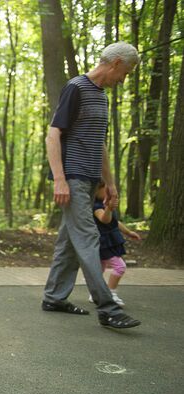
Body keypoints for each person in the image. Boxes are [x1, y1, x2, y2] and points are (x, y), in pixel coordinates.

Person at [42, 41, 142, 329]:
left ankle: (54, 297)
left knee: (68, 243)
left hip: (90, 179)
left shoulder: (102, 97)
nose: (124, 79)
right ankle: (108, 307)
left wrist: (109, 184)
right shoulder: (76, 87)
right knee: (88, 237)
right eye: (126, 72)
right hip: (72, 177)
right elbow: (53, 135)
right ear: (116, 63)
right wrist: (59, 179)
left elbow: (100, 145)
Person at [88, 181, 141, 307]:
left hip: (111, 240)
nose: (109, 192)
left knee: (100, 268)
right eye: (106, 190)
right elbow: (105, 220)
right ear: (96, 191)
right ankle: (111, 293)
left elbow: (114, 222)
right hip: (105, 242)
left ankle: (95, 293)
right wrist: (109, 208)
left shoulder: (104, 203)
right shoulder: (96, 206)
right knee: (120, 267)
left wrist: (128, 232)